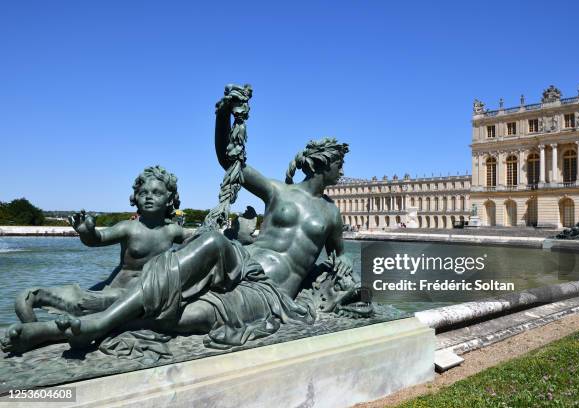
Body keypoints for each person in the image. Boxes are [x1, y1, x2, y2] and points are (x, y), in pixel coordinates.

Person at [1, 92, 353, 353]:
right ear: (325, 163)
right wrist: (223, 116)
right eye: (340, 165)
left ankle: (54, 330)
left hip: (270, 291)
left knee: (188, 317)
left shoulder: (332, 214)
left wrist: (346, 270)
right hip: (242, 264)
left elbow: (339, 260)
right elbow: (229, 162)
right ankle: (94, 324)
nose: (343, 172)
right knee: (212, 241)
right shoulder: (279, 191)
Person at [13, 166, 192, 323]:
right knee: (31, 297)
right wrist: (86, 232)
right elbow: (97, 239)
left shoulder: (172, 231)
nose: (149, 197)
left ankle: (44, 330)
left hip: (143, 294)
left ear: (169, 199)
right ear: (135, 198)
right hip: (115, 291)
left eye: (156, 193)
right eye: (143, 193)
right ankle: (36, 324)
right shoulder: (128, 227)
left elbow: (199, 241)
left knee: (79, 312)